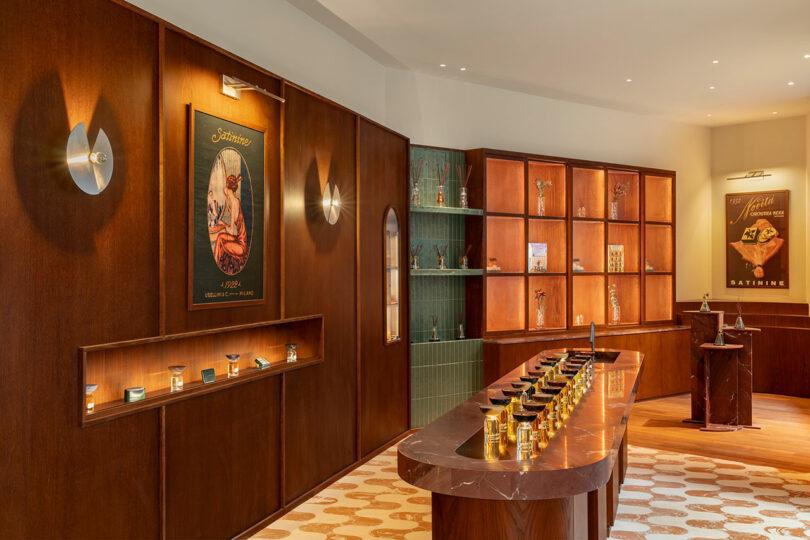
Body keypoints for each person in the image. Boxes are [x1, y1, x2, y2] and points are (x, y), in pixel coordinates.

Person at [209, 174, 248, 274]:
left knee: (224, 245)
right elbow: (232, 214)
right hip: (238, 239)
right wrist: (226, 196)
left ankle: (216, 266)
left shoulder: (235, 204)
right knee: (220, 236)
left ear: (227, 187)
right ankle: (215, 263)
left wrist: (224, 225)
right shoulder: (235, 201)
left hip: (241, 246)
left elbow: (230, 231)